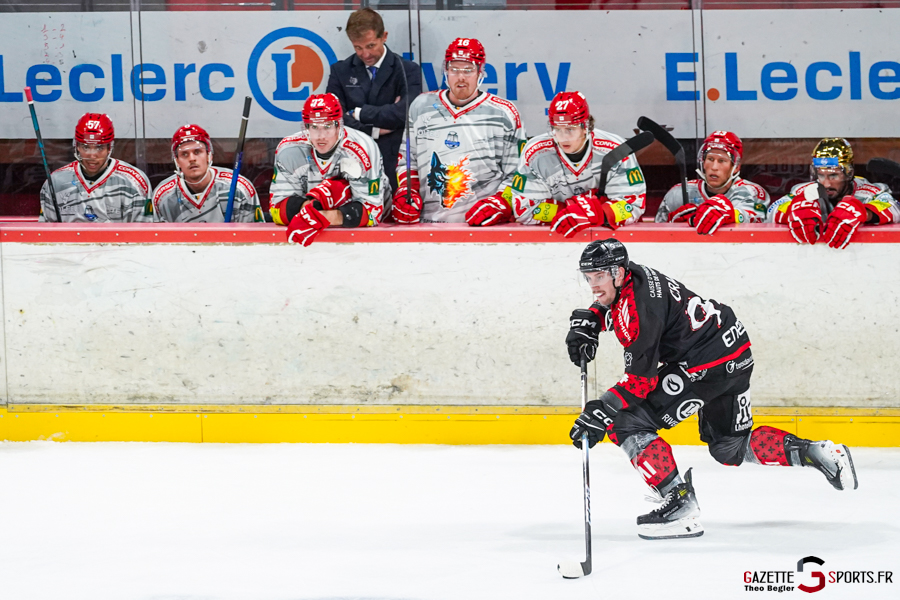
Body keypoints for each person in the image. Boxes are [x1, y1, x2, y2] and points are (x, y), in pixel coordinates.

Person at [565, 239, 858, 540]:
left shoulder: (639, 312)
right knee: (729, 447)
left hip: (705, 365)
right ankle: (818, 452)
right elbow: (616, 301)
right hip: (735, 351)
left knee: (624, 422)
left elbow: (641, 381)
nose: (593, 286)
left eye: (599, 277)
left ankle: (679, 505)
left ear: (617, 272)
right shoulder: (636, 275)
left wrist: (601, 410)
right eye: (588, 277)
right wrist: (595, 317)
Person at [465, 91, 647, 235]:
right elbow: (527, 210)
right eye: (557, 130)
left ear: (586, 127)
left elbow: (634, 204)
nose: (563, 137)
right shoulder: (536, 153)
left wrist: (600, 213)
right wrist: (573, 211)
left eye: (570, 129)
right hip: (558, 236)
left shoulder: (614, 149)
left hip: (609, 238)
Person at [392, 38, 527, 224]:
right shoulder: (421, 106)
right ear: (445, 70)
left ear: (481, 72)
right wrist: (408, 191)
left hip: (484, 226)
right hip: (427, 224)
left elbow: (520, 172)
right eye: (454, 69)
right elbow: (407, 160)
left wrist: (500, 202)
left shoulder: (504, 113)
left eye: (468, 70)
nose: (461, 77)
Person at [269, 93, 390, 246]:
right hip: (312, 235)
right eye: (314, 127)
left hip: (375, 237)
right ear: (305, 127)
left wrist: (325, 216)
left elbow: (373, 212)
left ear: (339, 125)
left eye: (328, 127)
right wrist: (311, 207)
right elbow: (276, 209)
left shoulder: (362, 148)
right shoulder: (289, 150)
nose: (321, 136)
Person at [326, 7, 422, 197]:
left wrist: (358, 113)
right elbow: (335, 118)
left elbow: (404, 113)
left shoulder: (407, 70)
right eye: (358, 47)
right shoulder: (340, 71)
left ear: (384, 36)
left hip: (395, 163)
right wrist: (374, 130)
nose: (365, 54)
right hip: (352, 162)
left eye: (370, 46)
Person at [768, 138, 899, 248]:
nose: (826, 184)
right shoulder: (804, 191)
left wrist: (865, 212)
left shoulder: (868, 191)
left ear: (849, 173)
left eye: (834, 176)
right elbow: (772, 210)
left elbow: (894, 207)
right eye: (821, 175)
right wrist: (792, 210)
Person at [39, 113, 151, 223]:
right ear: (77, 146)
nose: (92, 155)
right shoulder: (55, 182)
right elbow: (45, 234)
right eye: (86, 147)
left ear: (109, 148)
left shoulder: (133, 181)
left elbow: (145, 235)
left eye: (99, 147)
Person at [655, 131, 770, 233]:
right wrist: (672, 226)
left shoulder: (752, 193)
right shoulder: (678, 193)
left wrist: (729, 215)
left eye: (722, 161)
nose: (714, 167)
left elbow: (756, 221)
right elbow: (655, 235)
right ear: (703, 162)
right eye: (710, 159)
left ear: (735, 167)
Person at [152, 124, 262, 223]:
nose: (192, 159)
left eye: (197, 152)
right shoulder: (163, 197)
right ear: (176, 161)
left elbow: (256, 239)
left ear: (209, 155)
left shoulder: (239, 188)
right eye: (184, 154)